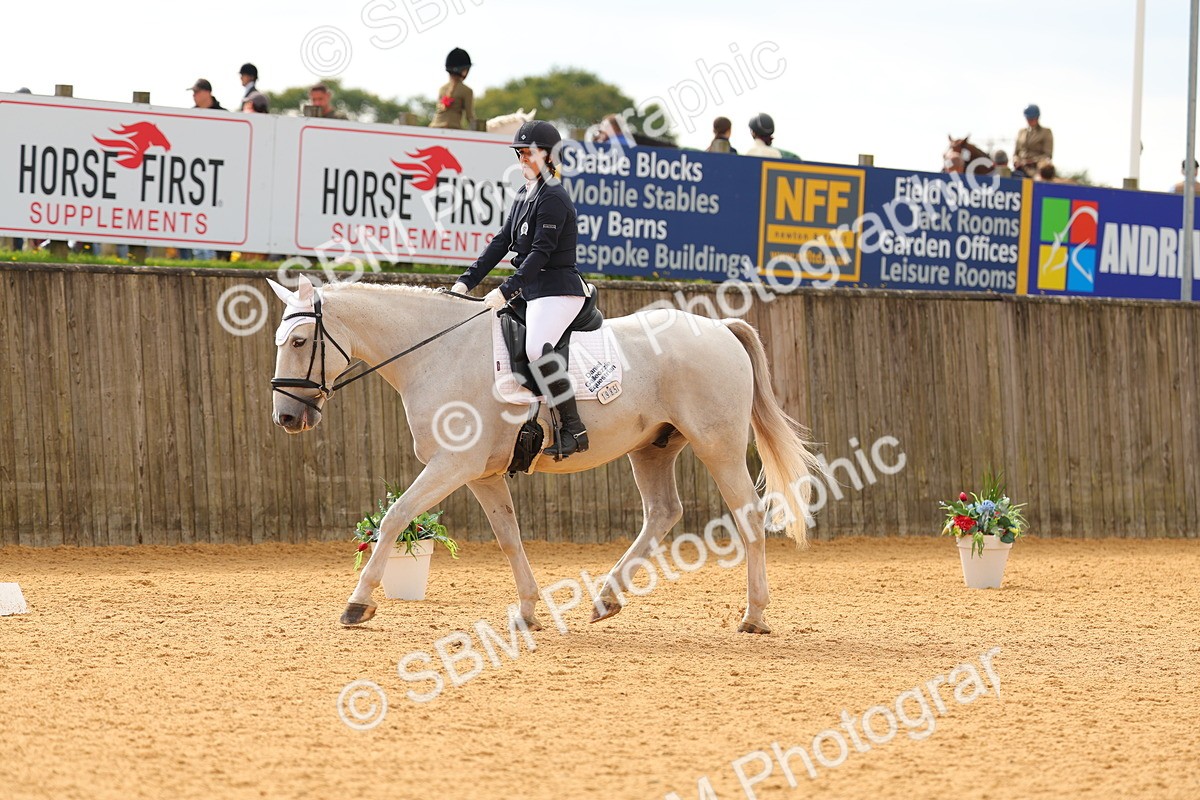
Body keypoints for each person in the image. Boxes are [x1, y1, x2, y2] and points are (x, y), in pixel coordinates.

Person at [450, 120, 589, 459]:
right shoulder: (524, 194)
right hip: (534, 290)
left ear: (549, 156)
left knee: (537, 351)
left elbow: (540, 253)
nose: (522, 158)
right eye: (519, 152)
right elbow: (501, 242)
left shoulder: (554, 195)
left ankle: (574, 429)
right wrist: (465, 281)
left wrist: (506, 290)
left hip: (558, 289)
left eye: (528, 152)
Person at [429, 48, 475, 129]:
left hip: (433, 127)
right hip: (452, 128)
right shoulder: (467, 91)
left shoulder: (442, 88)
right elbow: (470, 117)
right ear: (464, 71)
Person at [1014, 104, 1052, 177]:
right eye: (1028, 118)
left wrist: (1030, 162)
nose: (1030, 121)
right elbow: (1016, 152)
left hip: (1036, 171)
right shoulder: (1021, 132)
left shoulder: (1045, 132)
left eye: (1033, 118)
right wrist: (1016, 161)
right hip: (1019, 169)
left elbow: (1047, 155)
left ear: (1037, 118)